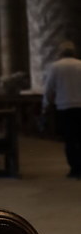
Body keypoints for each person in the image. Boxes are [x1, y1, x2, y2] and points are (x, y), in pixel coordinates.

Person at [42, 41, 81, 178]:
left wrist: (46, 104)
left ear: (60, 53)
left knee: (69, 140)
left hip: (64, 106)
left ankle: (75, 168)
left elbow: (49, 88)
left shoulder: (55, 67)